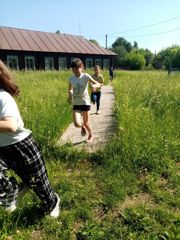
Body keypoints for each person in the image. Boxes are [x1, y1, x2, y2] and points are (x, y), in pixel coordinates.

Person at [0, 60, 60, 218]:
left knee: (40, 185)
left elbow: (11, 125)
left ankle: (53, 202)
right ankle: (11, 190)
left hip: (21, 146)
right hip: (1, 149)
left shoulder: (3, 96)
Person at [68, 59, 102, 143]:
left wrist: (95, 86)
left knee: (86, 123)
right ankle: (82, 126)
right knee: (77, 124)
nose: (75, 70)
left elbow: (98, 83)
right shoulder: (71, 79)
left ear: (82, 67)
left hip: (85, 102)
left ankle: (91, 135)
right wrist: (70, 96)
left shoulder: (86, 76)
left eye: (76, 68)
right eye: (73, 69)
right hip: (76, 103)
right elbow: (70, 89)